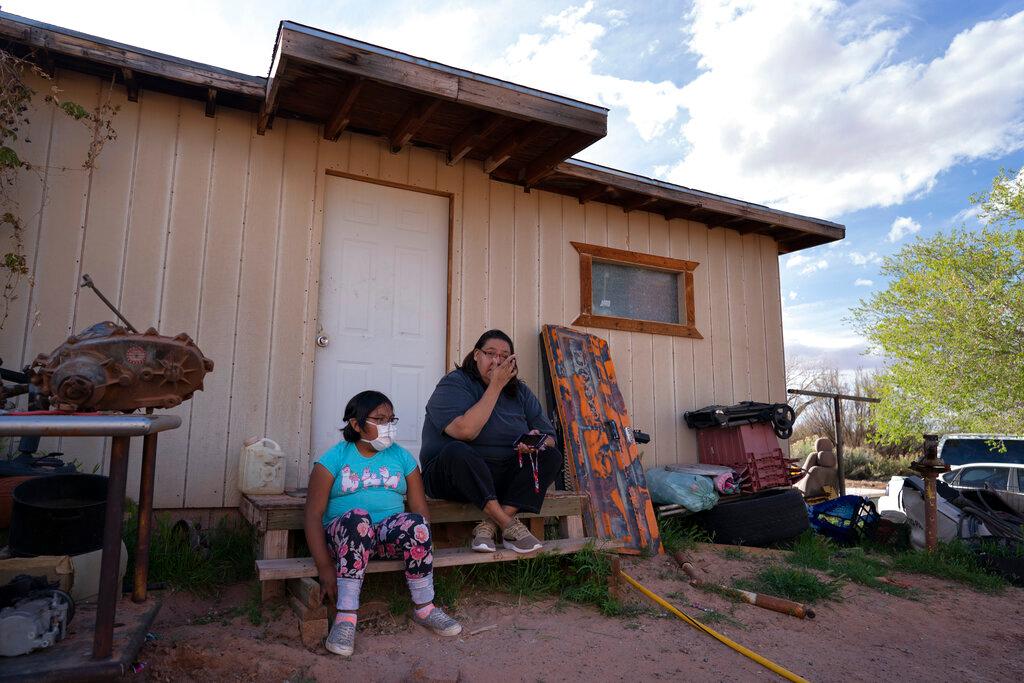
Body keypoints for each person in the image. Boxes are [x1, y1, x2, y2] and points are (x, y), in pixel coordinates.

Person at [304, 390, 462, 657]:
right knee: (359, 518)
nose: (388, 426)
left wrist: (422, 537)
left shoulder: (402, 457)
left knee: (417, 523)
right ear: (356, 424)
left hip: (385, 538)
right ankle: (346, 616)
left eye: (391, 419)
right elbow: (312, 515)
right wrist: (324, 567)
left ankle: (425, 608)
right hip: (345, 539)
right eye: (379, 419)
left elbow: (419, 507)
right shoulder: (335, 458)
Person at [420, 329, 562, 554]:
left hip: (500, 476)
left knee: (551, 455)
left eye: (505, 356)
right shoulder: (455, 383)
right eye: (490, 353)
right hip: (452, 475)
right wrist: (495, 385)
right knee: (457, 450)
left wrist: (537, 442)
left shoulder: (521, 392)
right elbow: (466, 431)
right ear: (477, 354)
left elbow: (550, 437)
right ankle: (508, 525)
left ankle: (490, 525)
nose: (497, 361)